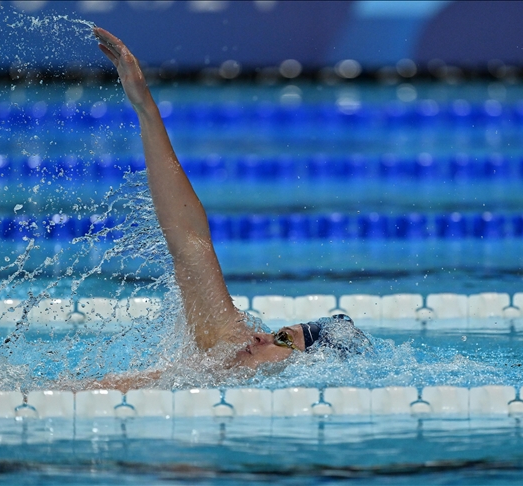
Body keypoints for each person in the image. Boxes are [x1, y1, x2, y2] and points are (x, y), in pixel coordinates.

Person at [91, 28, 368, 389]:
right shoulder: (225, 345)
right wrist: (144, 105)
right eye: (277, 334)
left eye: (282, 340)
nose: (259, 338)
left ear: (313, 369)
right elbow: (188, 236)